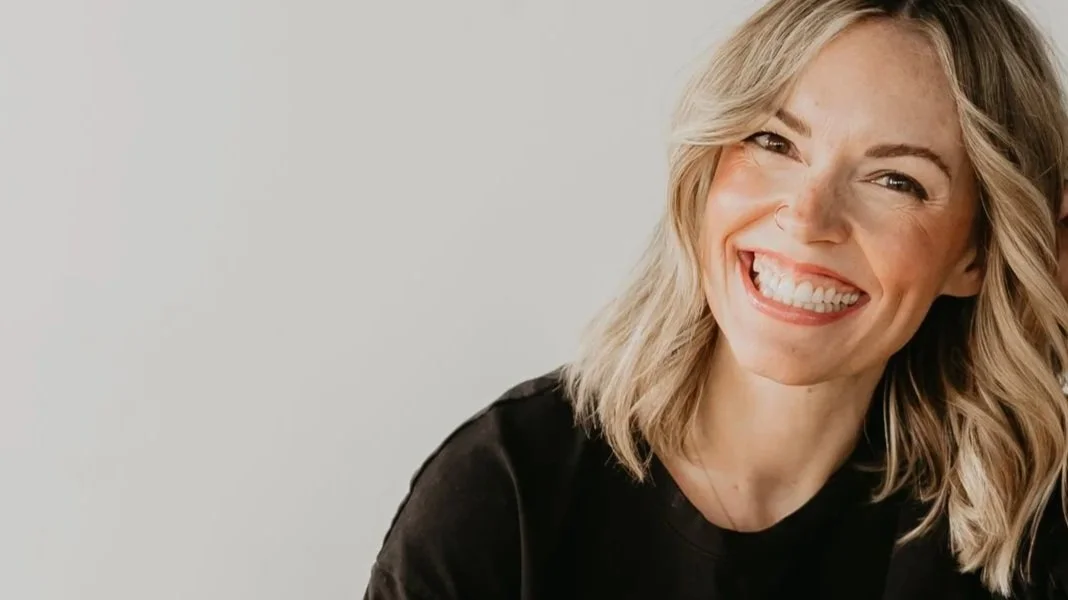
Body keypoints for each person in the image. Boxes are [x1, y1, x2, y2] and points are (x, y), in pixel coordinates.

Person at [365, 0, 1068, 598]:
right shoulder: (508, 489)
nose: (807, 218)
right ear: (706, 167)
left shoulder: (1021, 528)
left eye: (895, 181)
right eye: (774, 141)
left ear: (977, 254)